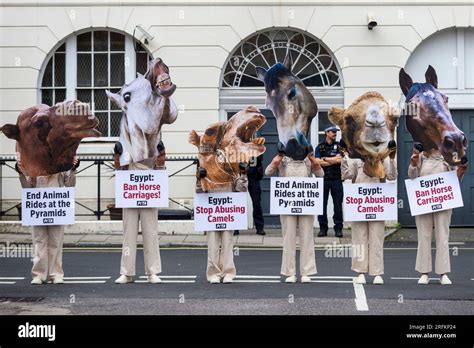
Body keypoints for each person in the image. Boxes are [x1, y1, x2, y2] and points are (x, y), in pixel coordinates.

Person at [408, 144, 468, 285]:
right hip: (423, 202)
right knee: (424, 236)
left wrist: (461, 170)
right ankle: (424, 272)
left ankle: (443, 273)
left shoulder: (449, 156)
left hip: (444, 202)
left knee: (443, 236)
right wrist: (413, 162)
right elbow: (412, 176)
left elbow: (455, 180)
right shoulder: (421, 155)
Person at [17, 154, 79, 285]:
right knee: (39, 239)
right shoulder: (33, 159)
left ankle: (56, 274)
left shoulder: (61, 160)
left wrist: (73, 169)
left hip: (56, 205)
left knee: (56, 240)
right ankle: (39, 274)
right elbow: (27, 186)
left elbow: (70, 184)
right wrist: (21, 172)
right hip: (38, 205)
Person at [341, 142, 397, 285]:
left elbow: (391, 176)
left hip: (377, 205)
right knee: (359, 238)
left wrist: (391, 158)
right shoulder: (356, 161)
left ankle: (377, 272)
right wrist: (344, 157)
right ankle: (360, 272)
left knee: (377, 239)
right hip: (359, 205)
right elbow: (347, 175)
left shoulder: (382, 160)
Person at [265, 149, 324, 283]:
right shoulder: (283, 160)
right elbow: (268, 171)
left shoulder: (308, 160)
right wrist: (278, 157)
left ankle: (306, 272)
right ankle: (289, 272)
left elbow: (321, 174)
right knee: (288, 237)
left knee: (307, 237)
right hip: (287, 203)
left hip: (306, 203)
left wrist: (313, 158)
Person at [114, 141, 165, 284]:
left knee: (151, 233)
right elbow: (119, 169)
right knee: (128, 234)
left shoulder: (153, 140)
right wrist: (117, 156)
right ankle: (127, 272)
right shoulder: (127, 142)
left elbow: (160, 168)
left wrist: (161, 155)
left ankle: (152, 271)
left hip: (148, 190)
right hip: (130, 191)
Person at [201, 164, 248, 284]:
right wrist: (199, 178)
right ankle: (213, 273)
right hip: (212, 210)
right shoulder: (207, 166)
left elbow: (242, 189)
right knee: (212, 242)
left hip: (227, 211)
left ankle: (228, 272)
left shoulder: (231, 170)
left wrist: (243, 174)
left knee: (227, 241)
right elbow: (199, 190)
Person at [315, 125, 344, 237]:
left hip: (337, 179)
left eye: (336, 132)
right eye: (332, 131)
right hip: (323, 179)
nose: (335, 133)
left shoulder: (339, 146)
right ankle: (323, 228)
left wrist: (325, 159)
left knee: (337, 205)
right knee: (321, 205)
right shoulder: (320, 147)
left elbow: (340, 160)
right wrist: (333, 160)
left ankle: (338, 228)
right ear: (326, 132)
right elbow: (317, 162)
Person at [235, 155, 265, 236]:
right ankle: (235, 227)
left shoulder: (254, 145)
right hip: (239, 176)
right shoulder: (237, 144)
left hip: (253, 176)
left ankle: (260, 228)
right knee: (236, 203)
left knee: (257, 204)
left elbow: (260, 158)